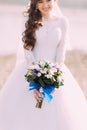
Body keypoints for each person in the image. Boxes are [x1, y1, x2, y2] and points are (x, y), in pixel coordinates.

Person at [0, 0, 87, 130]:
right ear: (35, 3)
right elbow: (28, 51)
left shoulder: (62, 22)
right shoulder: (27, 20)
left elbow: (60, 53)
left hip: (55, 71)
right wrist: (35, 80)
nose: (45, 5)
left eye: (48, 1)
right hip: (31, 70)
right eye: (41, 2)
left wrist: (54, 77)